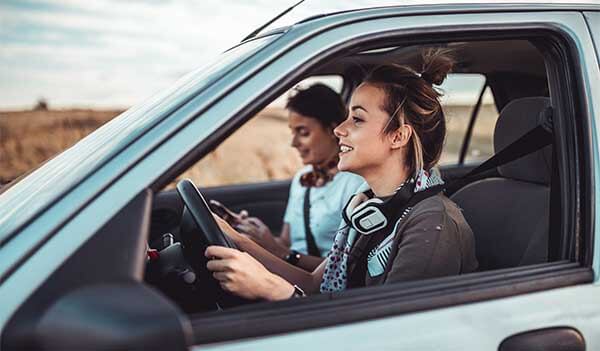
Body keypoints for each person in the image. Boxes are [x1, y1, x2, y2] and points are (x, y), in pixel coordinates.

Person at [205, 49, 478, 301]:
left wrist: (273, 289)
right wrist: (237, 239)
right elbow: (313, 285)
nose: (339, 130)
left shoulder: (432, 223)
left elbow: (388, 336)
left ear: (398, 136)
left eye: (357, 119)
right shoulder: (369, 208)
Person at [234, 84, 364, 272]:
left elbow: (345, 268)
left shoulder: (356, 184)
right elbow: (286, 242)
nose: (294, 143)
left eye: (303, 133)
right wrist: (255, 234)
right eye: (292, 132)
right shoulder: (302, 178)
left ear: (332, 129)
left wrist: (280, 252)